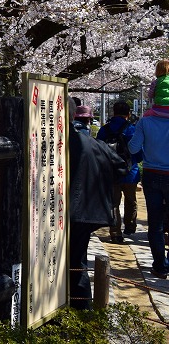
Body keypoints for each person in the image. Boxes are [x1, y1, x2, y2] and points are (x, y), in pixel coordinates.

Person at [67, 99, 125, 309]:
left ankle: (81, 309)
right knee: (77, 258)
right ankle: (80, 308)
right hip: (91, 210)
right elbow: (121, 168)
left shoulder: (59, 143)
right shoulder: (95, 144)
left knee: (74, 261)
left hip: (69, 212)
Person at [129, 75, 169, 278]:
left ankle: (160, 266)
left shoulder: (146, 120)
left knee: (155, 223)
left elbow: (133, 147)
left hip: (152, 175)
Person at [97, 100, 143, 243]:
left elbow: (98, 149)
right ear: (128, 114)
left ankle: (115, 233)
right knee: (131, 201)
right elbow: (139, 152)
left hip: (111, 172)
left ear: (113, 112)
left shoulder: (105, 130)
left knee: (113, 203)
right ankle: (130, 227)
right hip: (130, 172)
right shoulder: (132, 129)